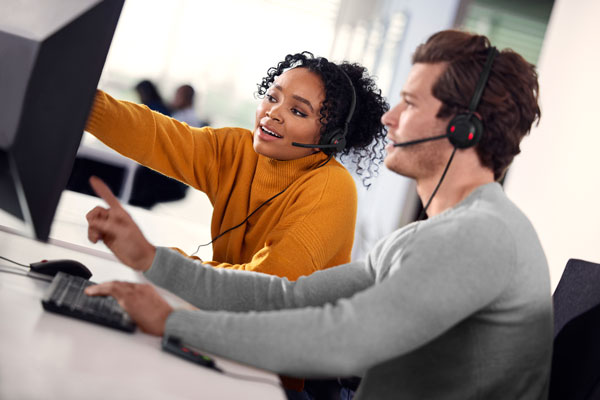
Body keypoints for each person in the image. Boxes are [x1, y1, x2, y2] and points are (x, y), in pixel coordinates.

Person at [85, 30, 552, 399]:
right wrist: (150, 260)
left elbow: (341, 340)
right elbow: (291, 298)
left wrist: (171, 321)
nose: (388, 118)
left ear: (463, 130)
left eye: (409, 104)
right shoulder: (427, 236)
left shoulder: (479, 237)